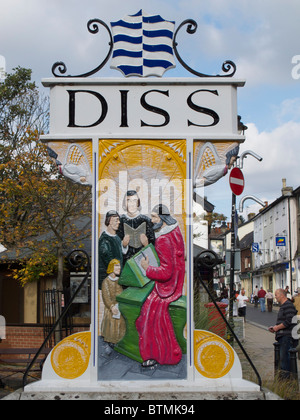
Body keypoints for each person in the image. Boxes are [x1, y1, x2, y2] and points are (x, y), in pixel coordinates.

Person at [136, 204, 185, 367]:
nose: (151, 220)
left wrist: (146, 268)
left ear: (163, 219)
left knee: (149, 313)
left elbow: (165, 273)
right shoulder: (175, 232)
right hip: (178, 282)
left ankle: (156, 355)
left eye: (154, 217)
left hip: (168, 287)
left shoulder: (163, 239)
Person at [117, 190, 155, 263]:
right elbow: (115, 246)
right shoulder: (120, 221)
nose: (132, 204)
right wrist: (123, 245)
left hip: (144, 261)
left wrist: (146, 244)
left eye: (134, 201)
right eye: (129, 201)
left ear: (138, 203)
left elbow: (153, 244)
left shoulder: (146, 221)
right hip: (126, 262)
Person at [269, 289, 298, 379]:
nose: (275, 297)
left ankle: (286, 380)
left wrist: (277, 327)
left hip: (287, 336)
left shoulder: (288, 305)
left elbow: (289, 320)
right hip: (283, 335)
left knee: (285, 360)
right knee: (283, 359)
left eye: (276, 295)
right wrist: (275, 327)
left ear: (282, 295)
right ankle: (284, 379)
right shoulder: (284, 306)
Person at [98, 210, 128, 289]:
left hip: (117, 278)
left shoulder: (116, 237)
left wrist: (124, 245)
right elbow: (109, 262)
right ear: (110, 221)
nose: (118, 222)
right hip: (109, 281)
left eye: (119, 220)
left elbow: (120, 254)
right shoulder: (104, 240)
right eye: (116, 220)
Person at [101, 259, 126, 347]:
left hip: (119, 306)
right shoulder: (106, 281)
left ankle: (119, 342)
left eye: (119, 265)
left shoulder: (119, 281)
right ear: (111, 267)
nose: (119, 267)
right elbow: (106, 296)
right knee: (111, 326)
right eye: (116, 265)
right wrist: (111, 307)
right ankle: (110, 343)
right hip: (111, 308)